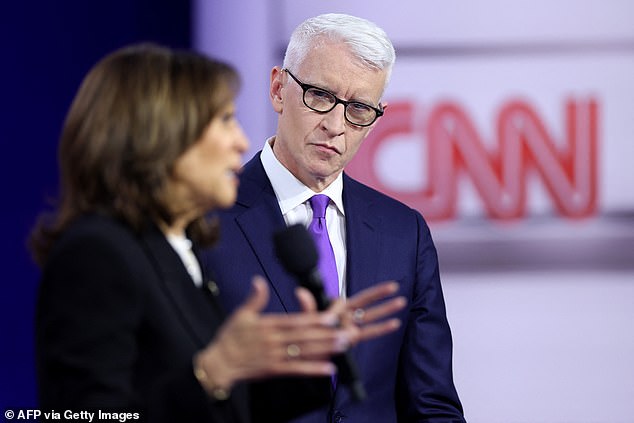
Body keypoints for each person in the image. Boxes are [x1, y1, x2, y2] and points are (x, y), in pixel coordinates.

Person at [29, 43, 407, 423]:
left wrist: (309, 354)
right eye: (225, 120)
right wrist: (213, 371)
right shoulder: (97, 255)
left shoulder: (175, 250)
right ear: (162, 135)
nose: (241, 142)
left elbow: (226, 408)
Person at [202, 13, 466, 422]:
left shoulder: (403, 233)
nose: (335, 126)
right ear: (278, 89)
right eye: (320, 96)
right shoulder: (204, 221)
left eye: (358, 109)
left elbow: (431, 403)